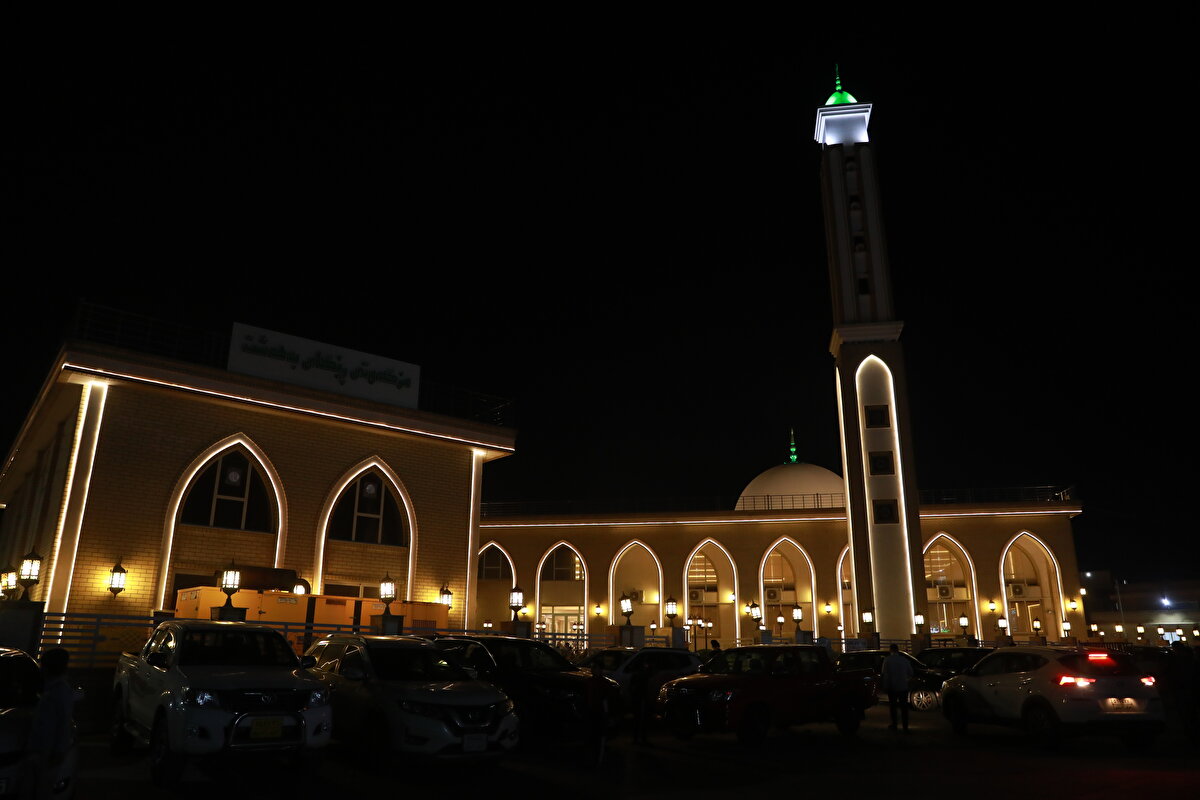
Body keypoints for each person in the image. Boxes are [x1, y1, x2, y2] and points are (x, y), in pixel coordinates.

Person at [26, 648, 76, 800]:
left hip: (47, 755)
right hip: (43, 753)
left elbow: (62, 724)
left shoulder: (58, 692)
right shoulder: (53, 690)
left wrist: (57, 753)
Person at [880, 643, 914, 733]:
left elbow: (884, 674)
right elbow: (911, 672)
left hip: (892, 687)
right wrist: (906, 680)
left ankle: (894, 724)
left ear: (890, 650)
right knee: (904, 707)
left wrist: (885, 685)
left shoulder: (887, 660)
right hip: (903, 687)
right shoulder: (904, 660)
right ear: (898, 650)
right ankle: (905, 726)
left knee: (893, 707)